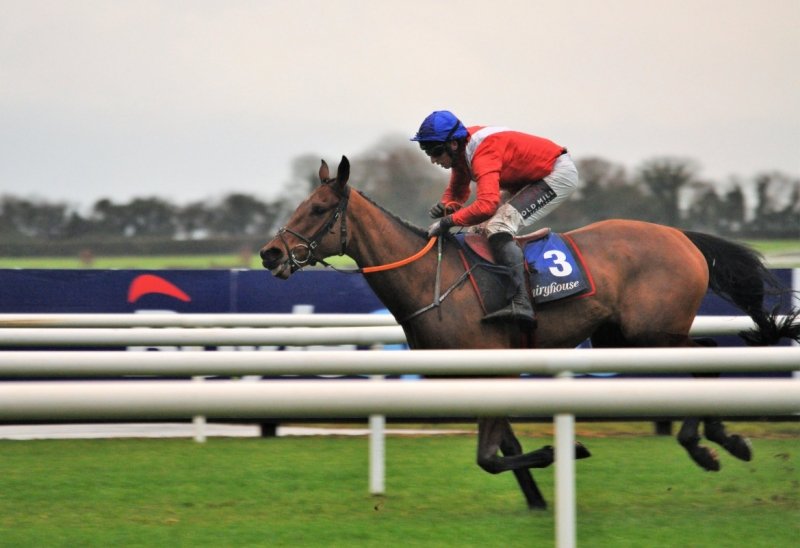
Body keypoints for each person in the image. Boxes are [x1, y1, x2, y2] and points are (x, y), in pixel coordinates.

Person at [411, 110, 579, 326]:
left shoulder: (483, 152)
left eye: (435, 152)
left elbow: (487, 205)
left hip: (556, 173)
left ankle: (521, 301)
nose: (433, 160)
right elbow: (458, 190)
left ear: (452, 144)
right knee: (477, 230)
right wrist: (446, 206)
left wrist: (447, 222)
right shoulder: (461, 149)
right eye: (427, 152)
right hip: (529, 178)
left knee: (499, 226)